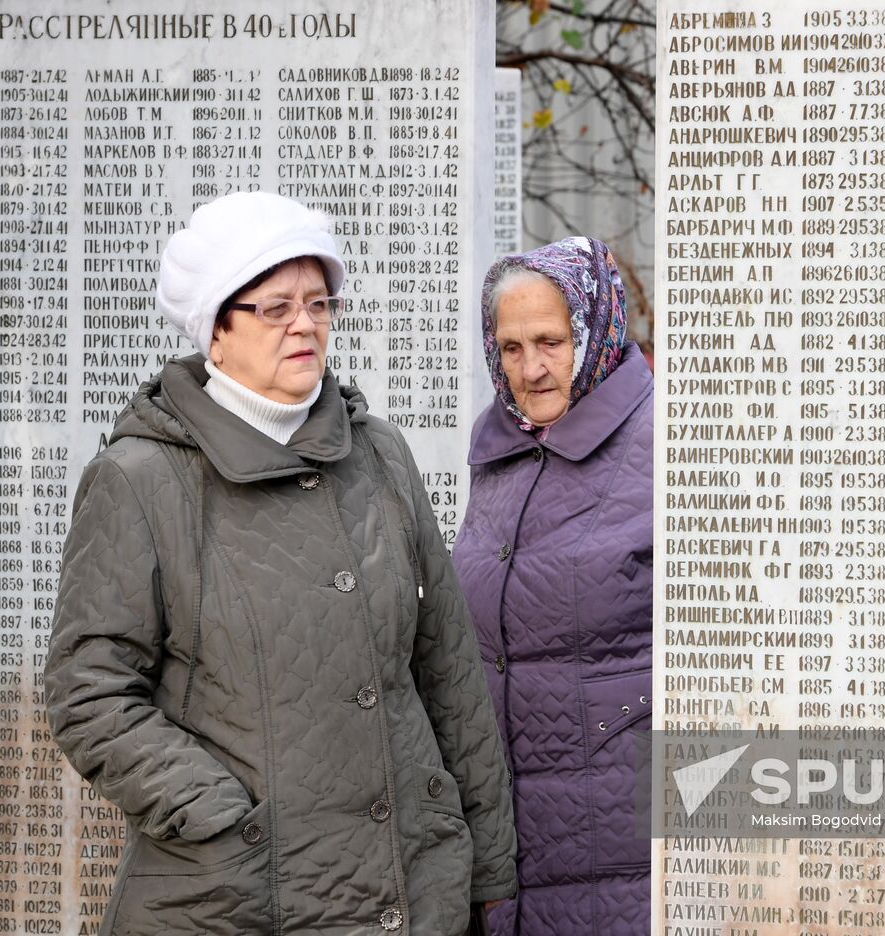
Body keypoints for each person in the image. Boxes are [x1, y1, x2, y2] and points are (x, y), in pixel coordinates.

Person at [44, 192, 516, 936]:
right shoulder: (140, 479)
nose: (305, 323)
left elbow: (447, 666)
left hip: (411, 887)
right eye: (275, 307)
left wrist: (487, 861)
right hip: (235, 900)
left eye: (319, 302)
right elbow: (88, 691)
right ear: (216, 331)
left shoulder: (380, 455)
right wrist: (222, 817)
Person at [451, 237, 653, 936]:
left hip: (621, 839)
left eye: (551, 341)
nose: (531, 369)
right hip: (508, 846)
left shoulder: (667, 447)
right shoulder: (500, 448)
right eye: (510, 348)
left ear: (597, 331)